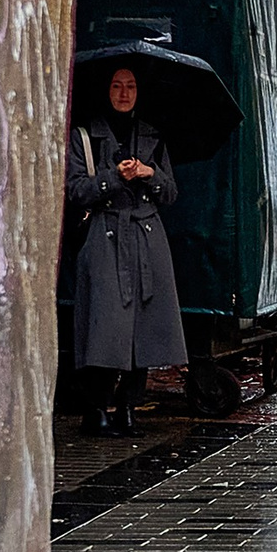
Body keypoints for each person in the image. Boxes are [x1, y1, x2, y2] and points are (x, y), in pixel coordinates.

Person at [66, 67, 187, 435]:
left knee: (144, 328)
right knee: (102, 325)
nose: (124, 93)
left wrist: (149, 174)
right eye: (116, 85)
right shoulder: (84, 137)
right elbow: (74, 191)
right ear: (106, 90)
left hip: (147, 239)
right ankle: (96, 407)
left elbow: (171, 193)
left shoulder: (153, 135)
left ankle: (129, 407)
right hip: (105, 238)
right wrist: (113, 177)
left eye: (131, 86)